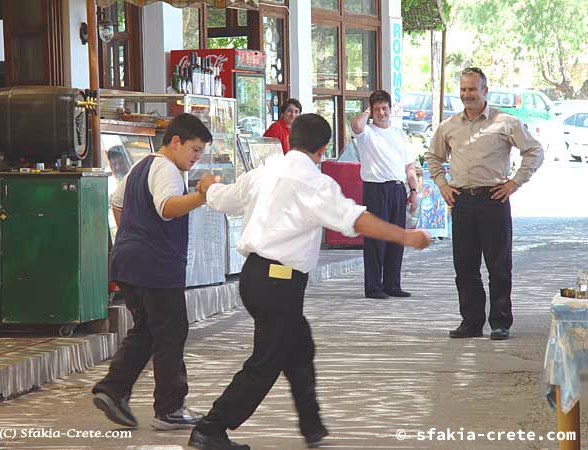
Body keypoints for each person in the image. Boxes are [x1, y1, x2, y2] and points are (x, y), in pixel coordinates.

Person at [187, 113, 431, 450]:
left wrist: (208, 185)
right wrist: (404, 236)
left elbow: (222, 198)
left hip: (256, 277)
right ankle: (211, 427)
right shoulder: (314, 183)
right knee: (266, 362)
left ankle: (312, 426)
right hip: (279, 282)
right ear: (323, 149)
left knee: (299, 347)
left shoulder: (264, 171)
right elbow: (356, 220)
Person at [92, 113, 213, 430]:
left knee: (147, 329)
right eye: (195, 149)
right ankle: (169, 409)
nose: (196, 158)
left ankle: (112, 389)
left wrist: (132, 235)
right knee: (171, 333)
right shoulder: (167, 169)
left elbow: (116, 201)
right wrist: (200, 196)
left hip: (129, 262)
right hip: (156, 267)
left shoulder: (141, 164)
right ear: (176, 142)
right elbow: (167, 206)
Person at [425, 67, 544, 341]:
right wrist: (442, 184)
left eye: (472, 89)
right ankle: (471, 321)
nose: (467, 94)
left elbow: (534, 151)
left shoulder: (506, 122)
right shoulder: (448, 126)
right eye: (463, 89)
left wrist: (515, 182)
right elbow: (433, 157)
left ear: (485, 91)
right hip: (463, 202)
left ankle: (500, 322)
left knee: (498, 265)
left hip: (494, 200)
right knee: (465, 266)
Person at [351, 90, 419, 300]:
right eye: (377, 109)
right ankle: (373, 286)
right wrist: (367, 111)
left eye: (385, 108)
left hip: (398, 189)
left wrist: (413, 190)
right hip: (375, 189)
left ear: (390, 109)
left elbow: (409, 167)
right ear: (371, 110)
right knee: (375, 239)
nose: (382, 113)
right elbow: (355, 125)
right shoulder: (366, 133)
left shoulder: (399, 134)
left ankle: (392, 284)